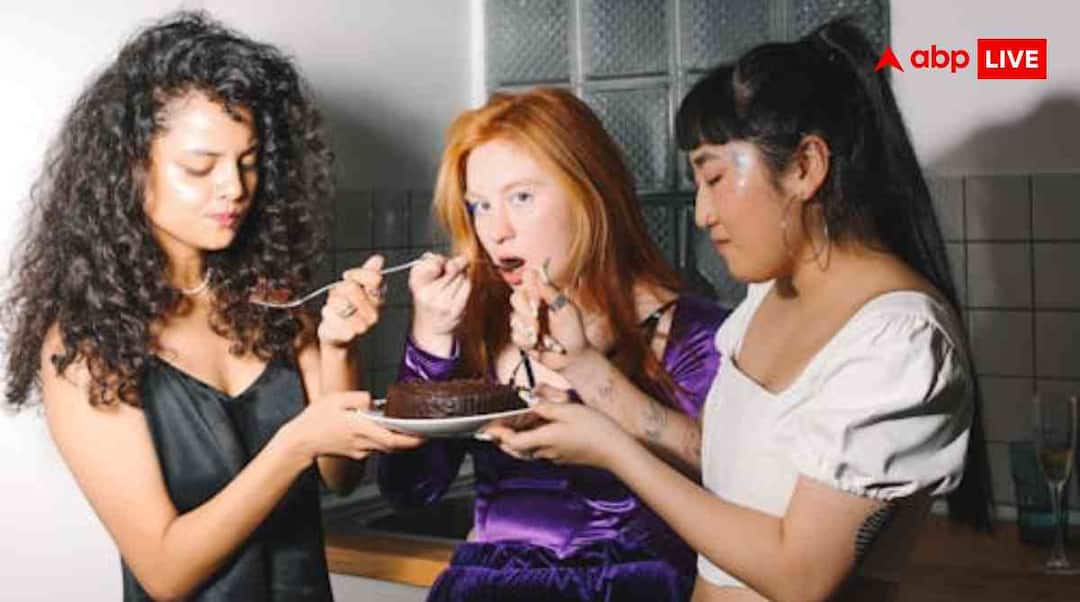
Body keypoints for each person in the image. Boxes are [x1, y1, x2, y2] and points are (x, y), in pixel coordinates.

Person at [490, 20, 993, 602]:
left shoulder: (899, 338)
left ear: (804, 167)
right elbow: (718, 459)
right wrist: (581, 365)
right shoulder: (770, 297)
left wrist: (612, 451)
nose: (702, 213)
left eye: (714, 177)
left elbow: (799, 575)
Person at [3, 12, 421, 600]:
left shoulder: (273, 298)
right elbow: (166, 572)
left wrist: (337, 349)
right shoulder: (88, 347)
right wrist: (293, 444)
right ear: (131, 167)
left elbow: (342, 475)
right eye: (200, 167)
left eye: (248, 162)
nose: (235, 187)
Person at [377, 87, 730, 600]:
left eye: (521, 197)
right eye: (480, 205)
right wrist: (429, 342)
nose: (496, 231)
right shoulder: (482, 330)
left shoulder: (695, 332)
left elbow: (734, 487)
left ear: (591, 191)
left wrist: (592, 382)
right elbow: (409, 490)